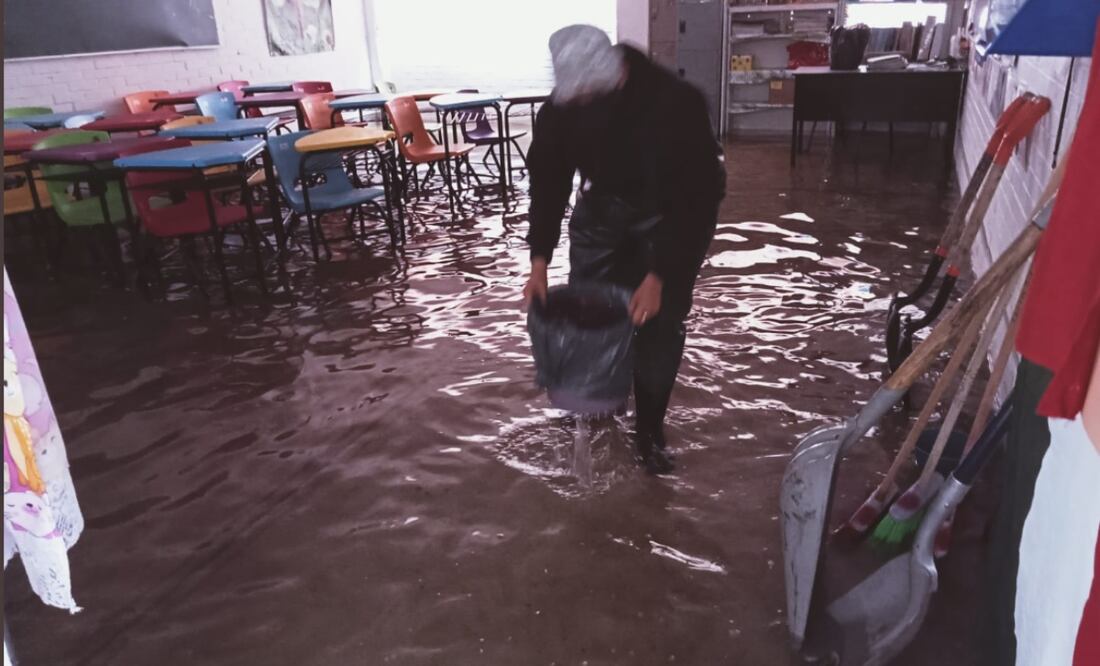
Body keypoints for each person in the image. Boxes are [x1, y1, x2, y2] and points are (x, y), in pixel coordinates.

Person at [523, 25, 726, 474]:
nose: (574, 104)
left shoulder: (676, 103)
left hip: (672, 211)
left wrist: (659, 277)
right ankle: (597, 403)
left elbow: (695, 201)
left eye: (583, 97)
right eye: (568, 97)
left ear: (614, 75)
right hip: (604, 209)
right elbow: (549, 184)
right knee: (590, 313)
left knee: (659, 324)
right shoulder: (561, 110)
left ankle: (649, 433)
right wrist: (539, 261)